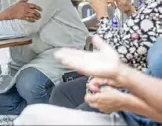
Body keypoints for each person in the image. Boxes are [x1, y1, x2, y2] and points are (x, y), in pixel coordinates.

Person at [14, 36, 162, 125]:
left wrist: (125, 100)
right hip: (136, 108)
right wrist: (121, 80)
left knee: (32, 117)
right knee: (45, 105)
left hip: (139, 118)